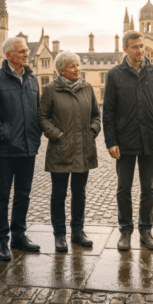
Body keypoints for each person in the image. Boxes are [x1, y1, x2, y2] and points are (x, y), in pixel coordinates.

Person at [103, 31, 153, 251]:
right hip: (125, 140)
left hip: (150, 139)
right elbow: (109, 111)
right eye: (135, 47)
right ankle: (125, 231)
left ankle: (145, 231)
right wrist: (111, 141)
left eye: (141, 46)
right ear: (125, 49)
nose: (140, 50)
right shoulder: (115, 75)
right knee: (124, 188)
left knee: (148, 189)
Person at [0, 37, 42, 261]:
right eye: (22, 51)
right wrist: (4, 133)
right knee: (2, 196)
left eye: (27, 51)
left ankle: (19, 235)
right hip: (5, 149)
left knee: (23, 195)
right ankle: (1, 241)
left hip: (28, 147)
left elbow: (37, 110)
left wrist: (36, 135)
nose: (27, 54)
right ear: (9, 55)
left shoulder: (32, 79)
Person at [38, 51, 101, 252]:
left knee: (79, 193)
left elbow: (96, 115)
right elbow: (42, 117)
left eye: (77, 65)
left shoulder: (87, 88)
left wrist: (92, 130)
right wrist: (56, 135)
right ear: (62, 69)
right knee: (59, 194)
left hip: (83, 148)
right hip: (61, 149)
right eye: (72, 66)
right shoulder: (50, 89)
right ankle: (59, 235)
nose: (77, 69)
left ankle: (78, 231)